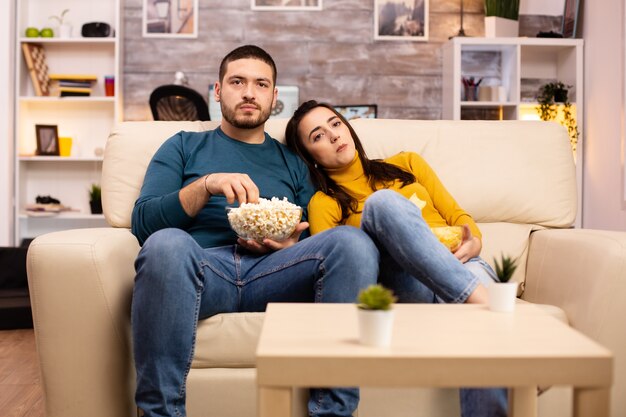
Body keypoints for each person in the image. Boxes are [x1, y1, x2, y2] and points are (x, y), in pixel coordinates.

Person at [131, 46, 379, 417]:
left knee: (352, 243)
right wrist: (206, 185)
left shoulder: (295, 162)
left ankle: (332, 413)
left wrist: (289, 242)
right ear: (218, 90)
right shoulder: (183, 146)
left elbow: (317, 237)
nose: (249, 92)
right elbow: (143, 224)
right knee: (165, 244)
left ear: (273, 97)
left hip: (275, 273)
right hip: (202, 269)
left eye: (261, 84)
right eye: (237, 82)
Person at [285, 100, 508, 417]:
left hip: (462, 264)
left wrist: (475, 242)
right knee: (382, 205)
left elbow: (458, 216)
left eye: (335, 124)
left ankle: (477, 305)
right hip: (407, 285)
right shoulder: (325, 203)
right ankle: (486, 303)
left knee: (478, 329)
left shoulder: (408, 163)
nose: (334, 135)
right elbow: (337, 272)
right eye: (318, 136)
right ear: (311, 159)